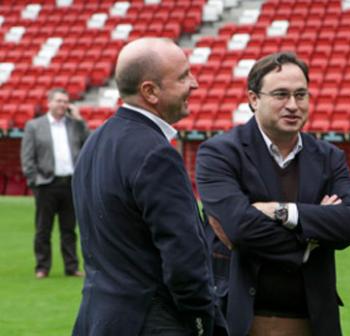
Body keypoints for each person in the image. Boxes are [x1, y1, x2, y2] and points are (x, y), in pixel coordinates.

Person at [196, 52, 350, 336]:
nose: (293, 105)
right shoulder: (219, 154)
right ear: (253, 99)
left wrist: (283, 212)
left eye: (301, 94)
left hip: (312, 322)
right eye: (281, 95)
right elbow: (240, 228)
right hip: (240, 320)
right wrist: (309, 241)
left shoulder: (329, 157)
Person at [71, 38, 215, 335]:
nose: (195, 84)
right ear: (150, 91)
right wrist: (202, 321)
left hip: (98, 319)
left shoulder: (95, 142)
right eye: (183, 76)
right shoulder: (155, 153)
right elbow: (183, 256)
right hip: (150, 321)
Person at [20, 88, 88, 279]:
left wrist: (80, 119)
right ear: (49, 102)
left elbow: (90, 144)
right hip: (46, 184)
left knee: (69, 230)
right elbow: (27, 157)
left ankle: (72, 267)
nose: (62, 105)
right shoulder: (34, 126)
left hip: (70, 184)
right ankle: (42, 267)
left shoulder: (75, 125)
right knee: (43, 229)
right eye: (59, 101)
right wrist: (34, 181)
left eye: (65, 101)